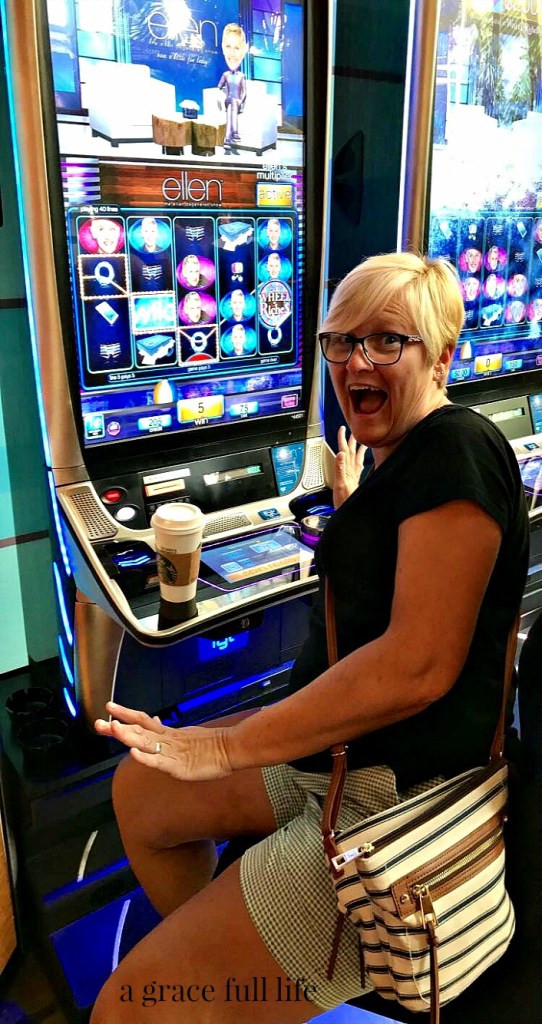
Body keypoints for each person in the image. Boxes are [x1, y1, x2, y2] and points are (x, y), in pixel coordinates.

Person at [91, 252, 529, 1024]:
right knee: (142, 790)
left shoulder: (456, 448)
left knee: (128, 1008)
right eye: (341, 340)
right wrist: (358, 508)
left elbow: (418, 665)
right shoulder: (405, 456)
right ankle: (233, 985)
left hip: (388, 805)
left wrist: (224, 748)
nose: (357, 360)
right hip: (337, 761)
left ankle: (212, 991)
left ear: (443, 355)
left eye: (387, 340)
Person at [218, 24, 248, 148]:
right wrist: (219, 97)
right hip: (228, 100)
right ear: (223, 48)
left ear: (244, 50)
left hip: (236, 102)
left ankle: (227, 139)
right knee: (231, 104)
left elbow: (244, 92)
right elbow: (219, 87)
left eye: (236, 48)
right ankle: (235, 133)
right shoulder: (225, 75)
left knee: (232, 108)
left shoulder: (242, 76)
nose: (232, 53)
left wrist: (241, 101)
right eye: (228, 47)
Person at [130, 217, 172, 292]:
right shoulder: (134, 256)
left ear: (157, 233)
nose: (150, 235)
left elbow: (169, 280)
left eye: (152, 231)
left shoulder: (166, 255)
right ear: (142, 234)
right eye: (146, 231)